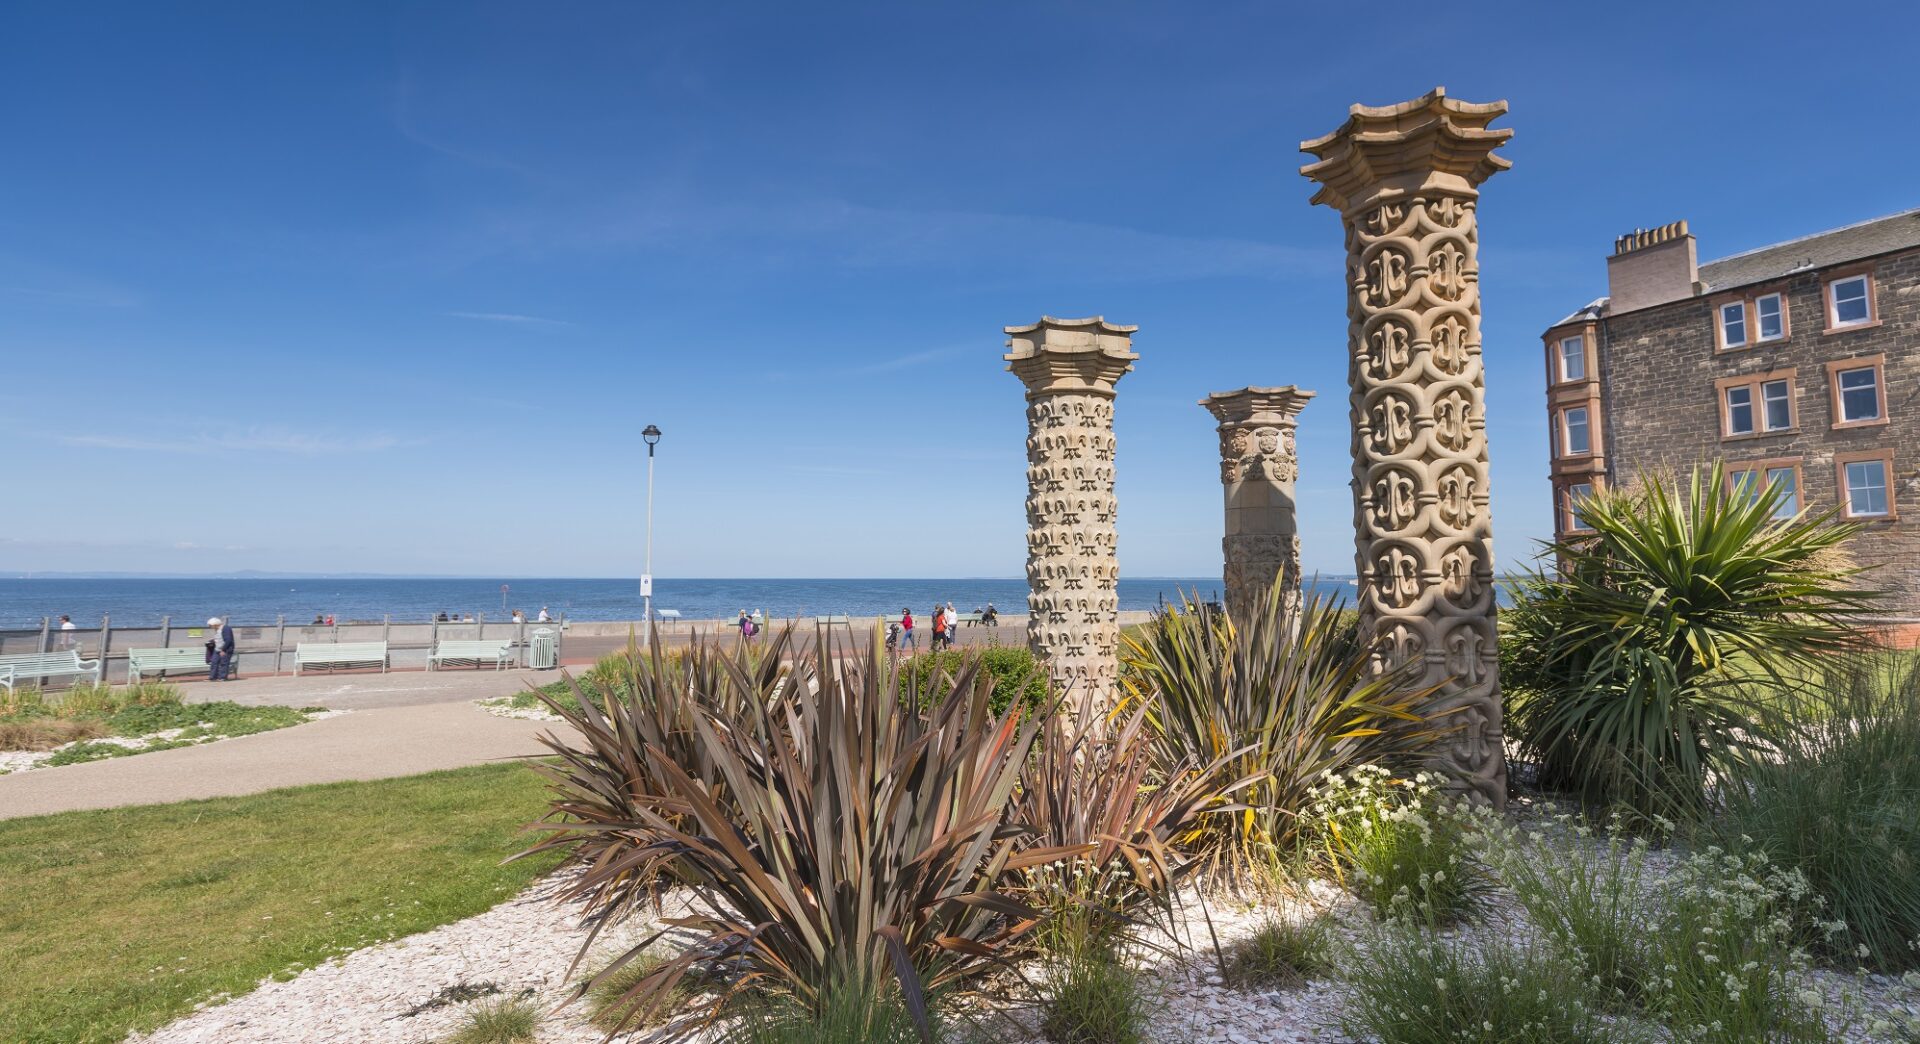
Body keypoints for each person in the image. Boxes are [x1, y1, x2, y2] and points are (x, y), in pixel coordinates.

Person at [206, 616, 235, 682]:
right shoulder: (217, 629)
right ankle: (213, 677)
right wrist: (213, 640)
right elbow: (220, 638)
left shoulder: (225, 628)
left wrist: (223, 650)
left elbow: (228, 640)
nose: (210, 627)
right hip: (217, 649)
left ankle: (223, 677)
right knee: (214, 662)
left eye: (210, 626)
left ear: (215, 624)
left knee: (223, 663)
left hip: (225, 649)